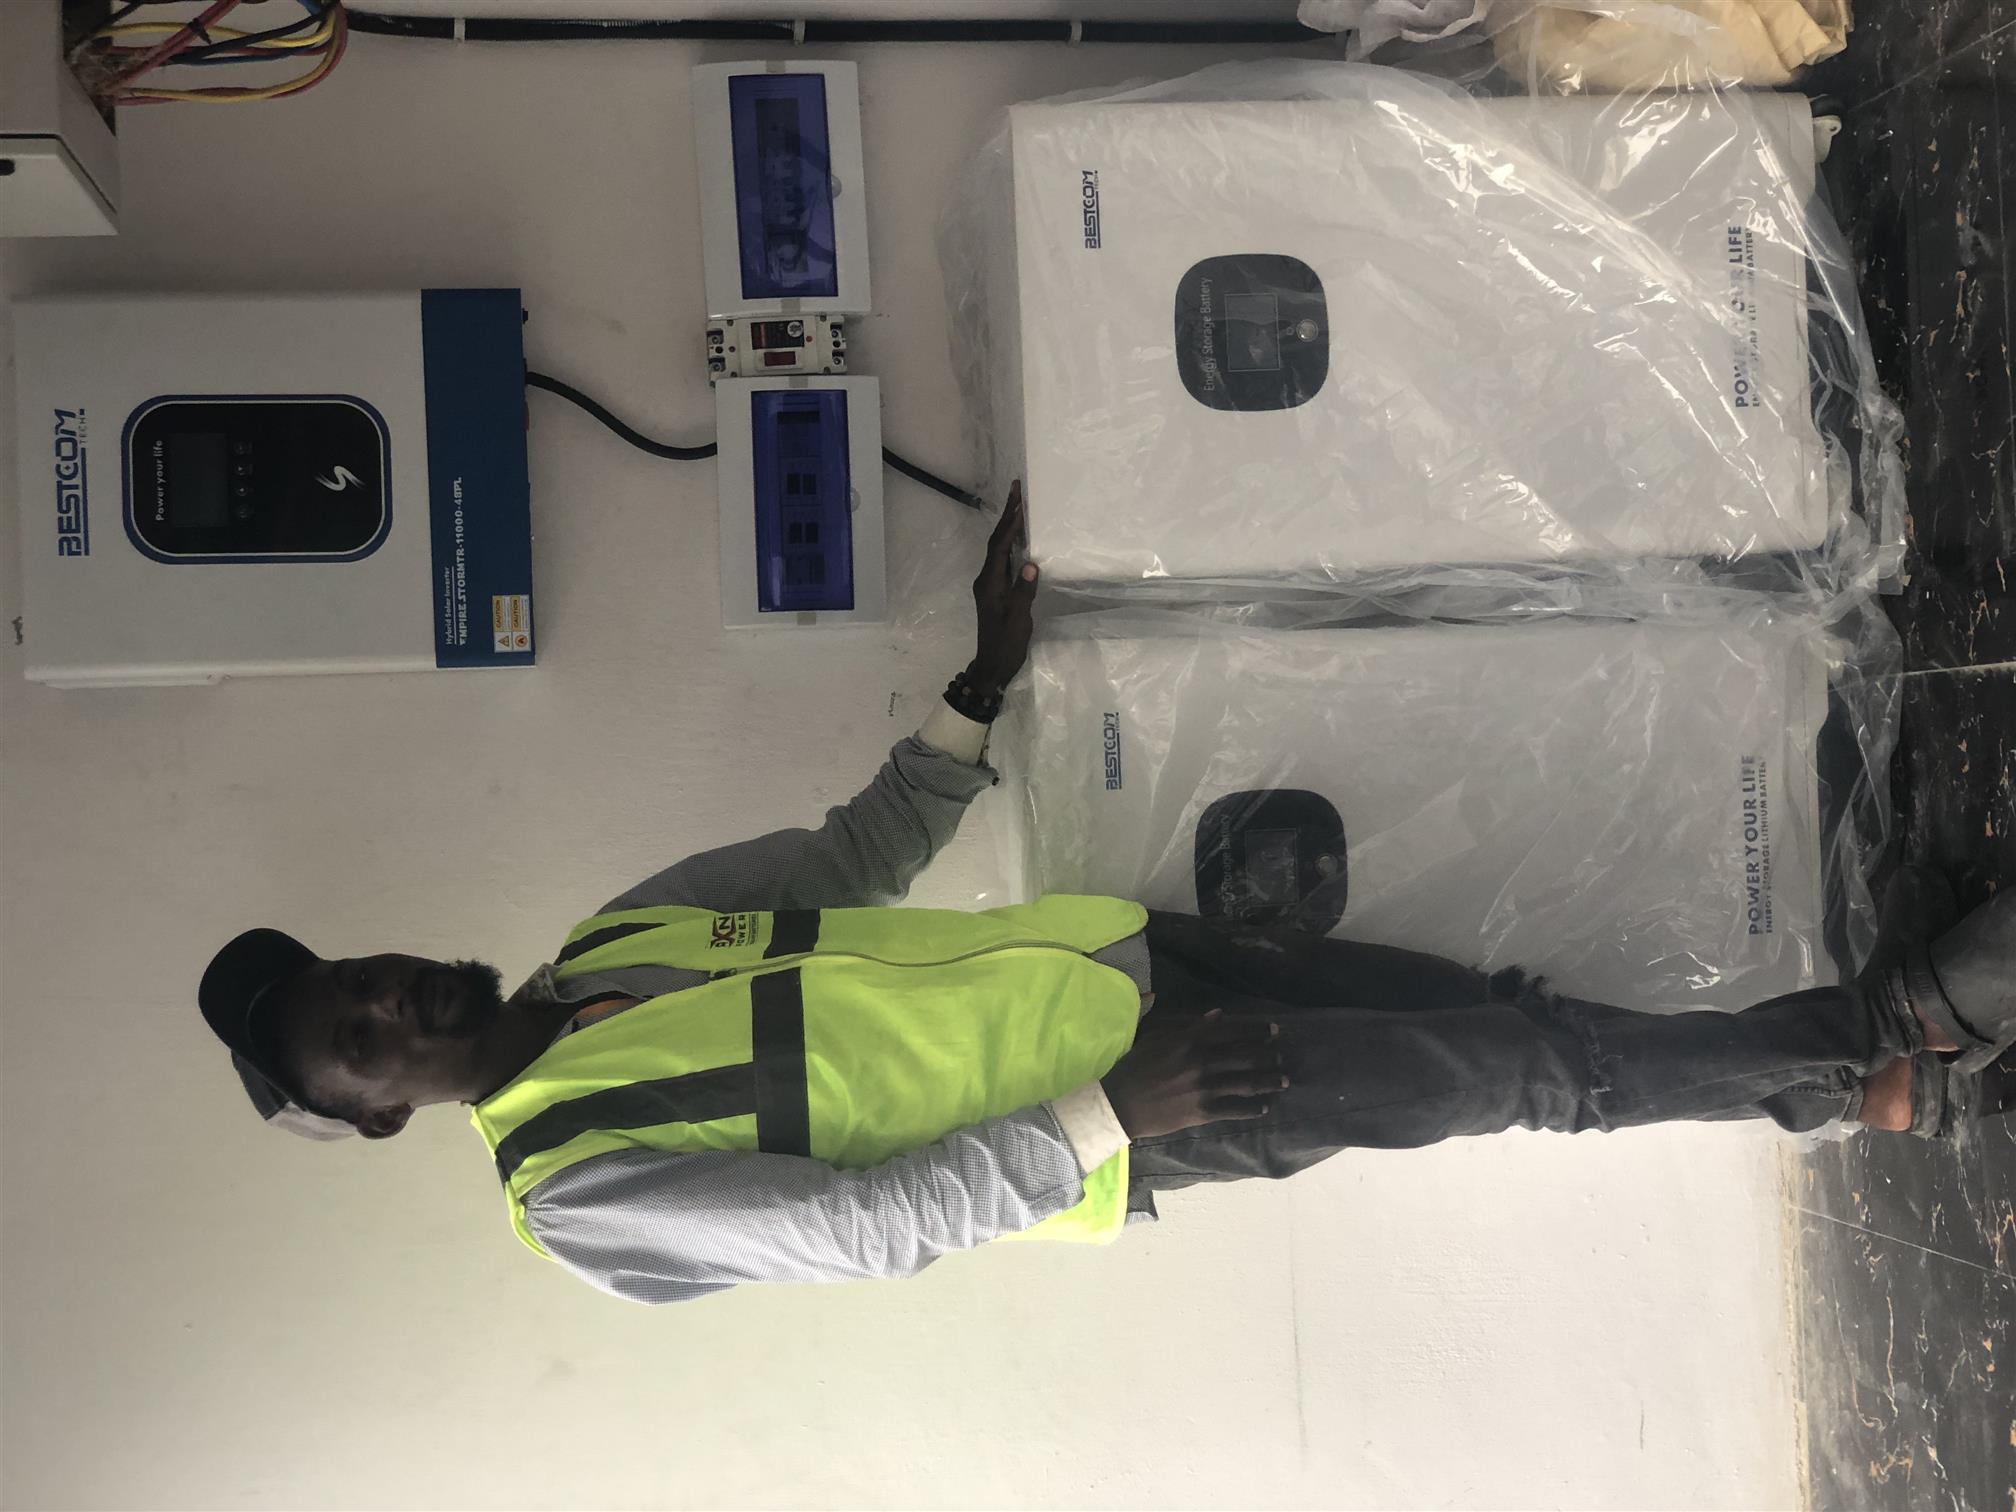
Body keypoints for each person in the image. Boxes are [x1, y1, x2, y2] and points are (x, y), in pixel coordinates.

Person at [199, 487, 2016, 1305]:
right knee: (1529, 1076)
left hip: (1138, 963)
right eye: (355, 1046)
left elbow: (845, 864)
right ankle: (1896, 1031)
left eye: (354, 975)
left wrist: (979, 684)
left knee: (1506, 1015)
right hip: (1150, 1104)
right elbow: (863, 1231)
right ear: (378, 1116)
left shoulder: (618, 938)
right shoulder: (574, 1195)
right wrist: (1108, 1114)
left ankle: (1843, 1086)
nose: (383, 1002)